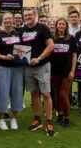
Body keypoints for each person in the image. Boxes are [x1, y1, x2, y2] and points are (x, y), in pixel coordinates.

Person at [20, 8, 55, 136]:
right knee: (34, 94)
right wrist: (23, 59)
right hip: (28, 67)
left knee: (46, 95)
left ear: (34, 15)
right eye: (25, 15)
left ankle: (49, 121)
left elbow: (51, 46)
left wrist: (39, 58)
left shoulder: (43, 28)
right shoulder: (22, 30)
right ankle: (37, 119)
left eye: (30, 14)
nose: (27, 17)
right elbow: (21, 48)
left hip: (42, 66)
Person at [0, 13, 24, 131]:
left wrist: (21, 55)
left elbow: (23, 50)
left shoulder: (18, 34)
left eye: (10, 18)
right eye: (6, 19)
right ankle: (1, 120)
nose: (8, 20)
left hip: (17, 68)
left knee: (16, 93)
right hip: (2, 66)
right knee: (2, 93)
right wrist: (4, 57)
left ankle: (14, 118)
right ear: (2, 21)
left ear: (13, 20)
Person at [50, 18, 77, 128]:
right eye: (59, 24)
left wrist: (73, 71)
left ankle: (67, 117)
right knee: (56, 93)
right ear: (56, 26)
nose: (61, 26)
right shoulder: (52, 38)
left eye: (63, 24)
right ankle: (59, 114)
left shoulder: (71, 38)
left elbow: (75, 55)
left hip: (67, 71)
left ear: (66, 26)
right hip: (55, 70)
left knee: (63, 94)